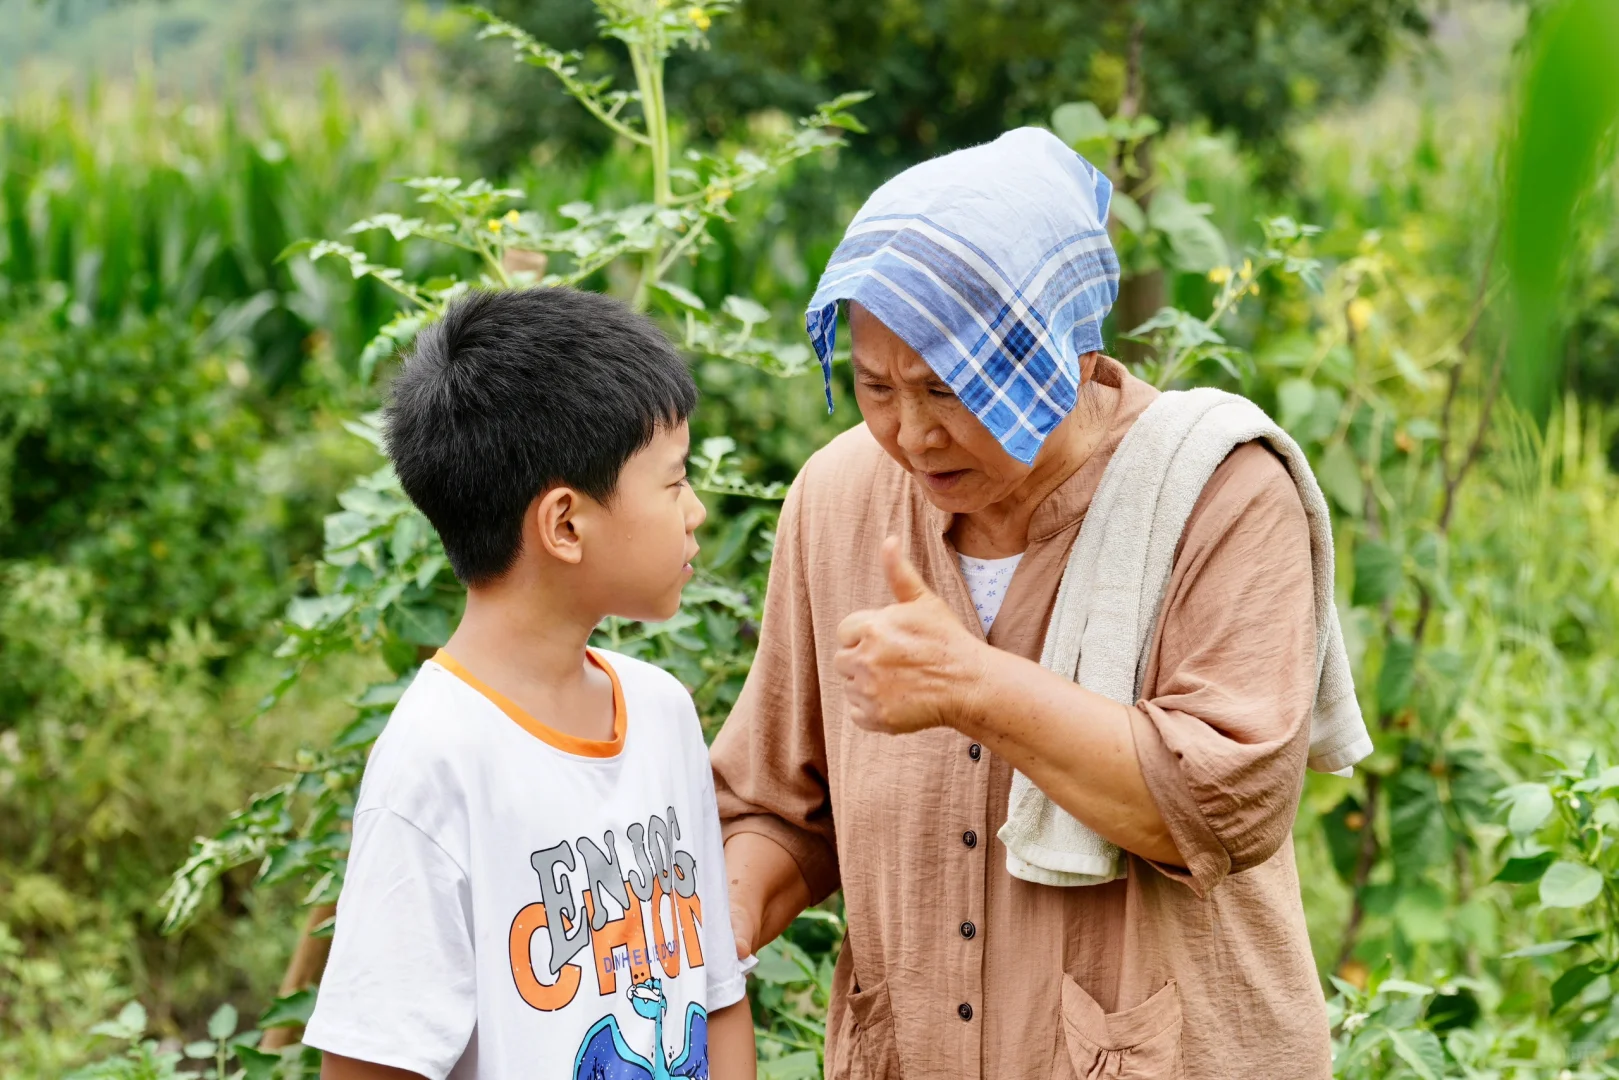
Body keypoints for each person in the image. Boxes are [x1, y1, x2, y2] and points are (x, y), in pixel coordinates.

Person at [713, 128, 1351, 1078]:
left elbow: (1222, 808)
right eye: (875, 387)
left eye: (949, 389)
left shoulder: (1220, 495)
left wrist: (972, 688)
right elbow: (778, 808)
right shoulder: (837, 499)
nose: (912, 432)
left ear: (1063, 356)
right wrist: (716, 925)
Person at [303, 288, 756, 1080]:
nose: (698, 512)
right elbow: (370, 1063)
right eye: (674, 481)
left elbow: (716, 997)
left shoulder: (660, 713)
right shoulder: (436, 761)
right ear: (565, 524)